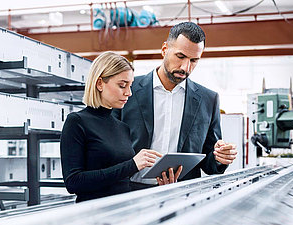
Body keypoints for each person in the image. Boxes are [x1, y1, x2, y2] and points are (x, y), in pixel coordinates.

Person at [113, 22, 237, 190]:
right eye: (180, 56)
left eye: (194, 60)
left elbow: (209, 163)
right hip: (129, 192)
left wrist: (219, 158)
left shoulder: (209, 99)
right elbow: (108, 150)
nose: (186, 67)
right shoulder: (128, 91)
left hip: (182, 194)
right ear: (164, 50)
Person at [60, 51, 162, 202]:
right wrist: (132, 165)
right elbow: (74, 182)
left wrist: (161, 188)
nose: (129, 93)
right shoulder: (76, 122)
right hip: (93, 215)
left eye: (130, 86)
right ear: (100, 83)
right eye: (122, 85)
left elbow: (121, 185)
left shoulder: (122, 128)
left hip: (122, 212)